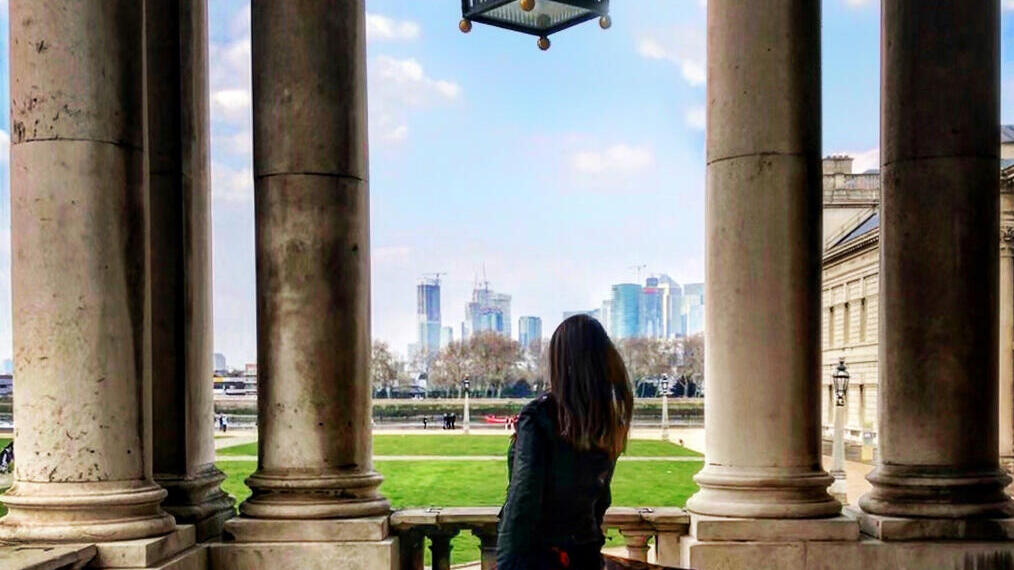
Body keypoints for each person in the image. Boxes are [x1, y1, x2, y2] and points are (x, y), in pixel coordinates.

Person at [497, 314, 634, 570]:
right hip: (585, 555)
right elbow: (600, 499)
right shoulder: (608, 418)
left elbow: (522, 502)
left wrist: (506, 564)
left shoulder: (540, 415)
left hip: (541, 558)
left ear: (561, 360)